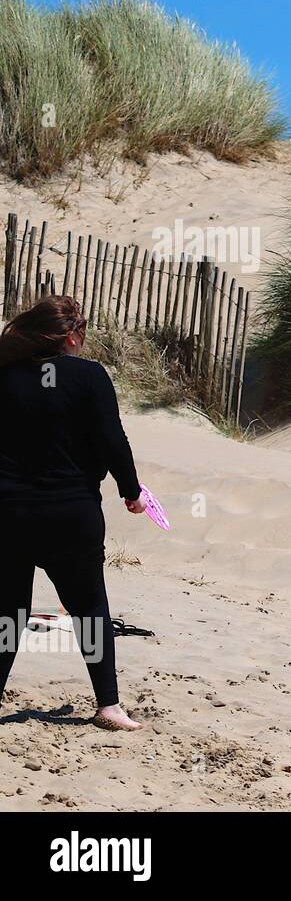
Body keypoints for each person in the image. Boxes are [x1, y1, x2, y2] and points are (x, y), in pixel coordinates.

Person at [0, 296, 146, 730]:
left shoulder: (4, 375)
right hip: (70, 512)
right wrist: (131, 490)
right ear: (71, 336)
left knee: (8, 611)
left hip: (8, 512)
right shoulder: (88, 376)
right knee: (89, 608)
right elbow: (111, 439)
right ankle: (108, 706)